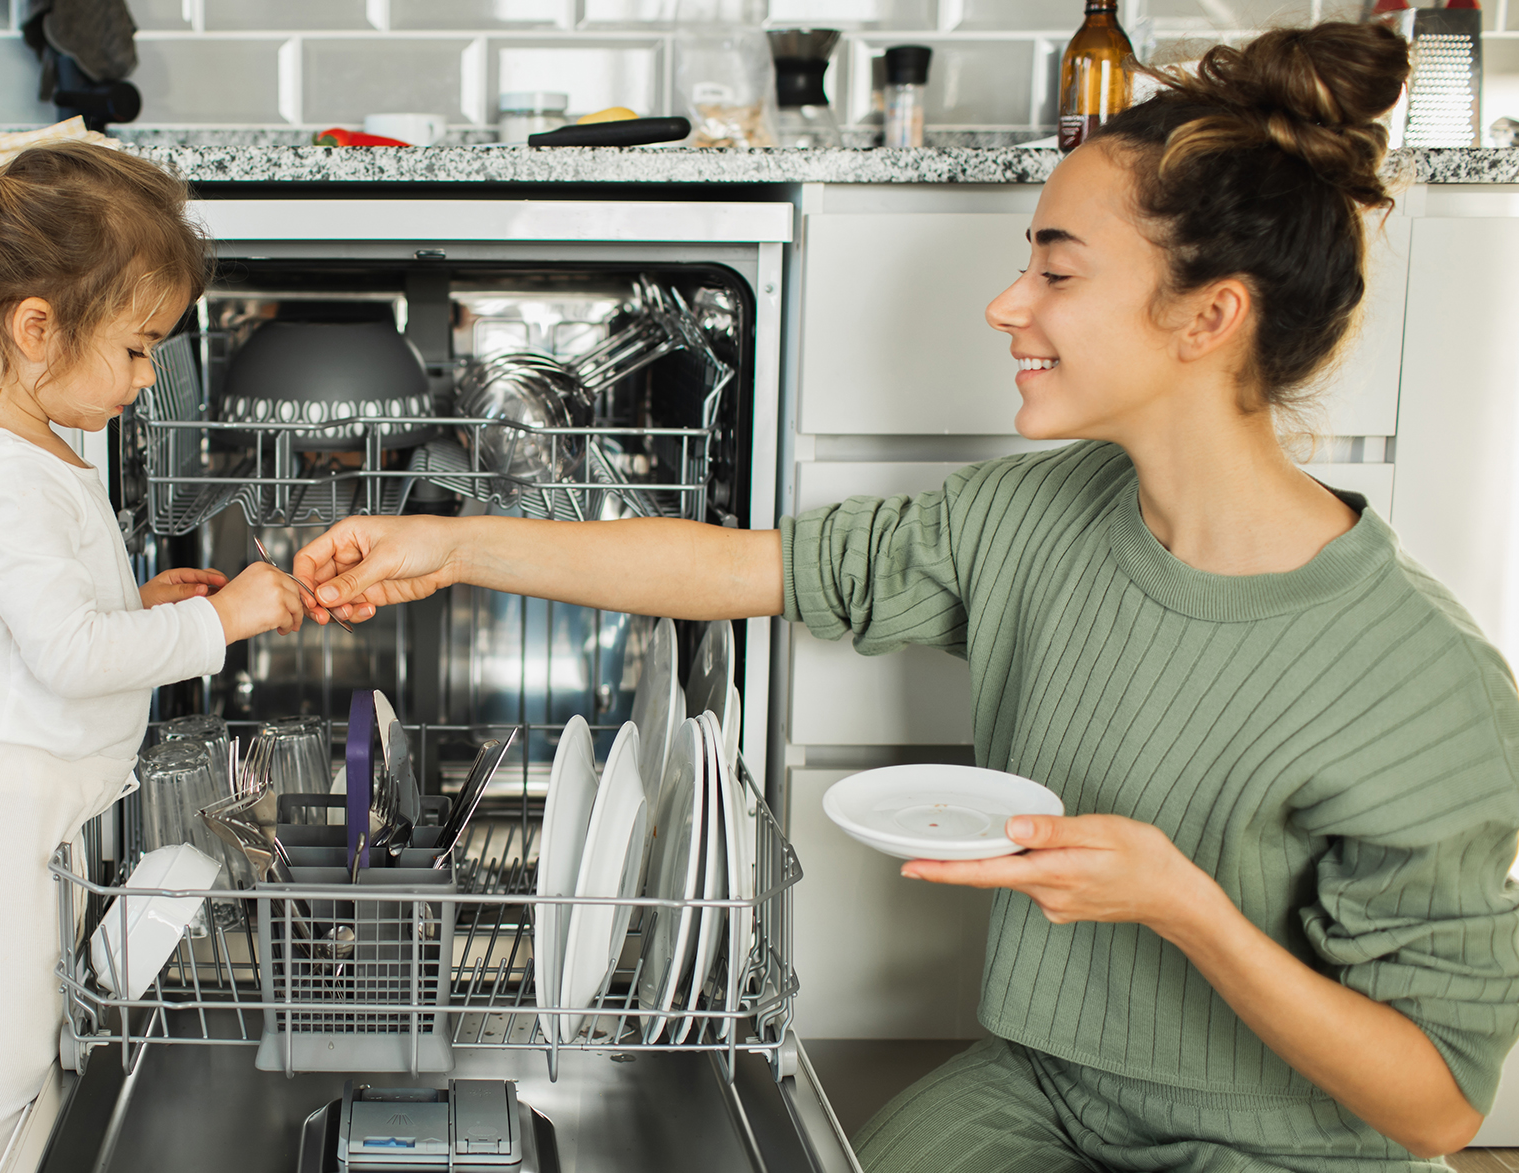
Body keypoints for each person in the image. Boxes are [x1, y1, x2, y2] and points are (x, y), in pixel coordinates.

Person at [292, 22, 1519, 1171]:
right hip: (1044, 1090)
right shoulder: (1034, 519)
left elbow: (1436, 1103)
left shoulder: (1416, 682)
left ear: (1210, 316)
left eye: (1056, 271)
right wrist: (450, 547)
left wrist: (1183, 907)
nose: (1007, 304)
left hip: (1286, 1144)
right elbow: (747, 570)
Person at [0, 142, 305, 1173]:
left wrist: (139, 606)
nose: (145, 376)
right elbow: (70, 657)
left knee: (41, 1059)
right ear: (37, 328)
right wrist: (227, 621)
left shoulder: (30, 449)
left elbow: (53, 626)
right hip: (2, 820)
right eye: (135, 348)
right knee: (0, 1075)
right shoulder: (7, 482)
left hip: (39, 805)